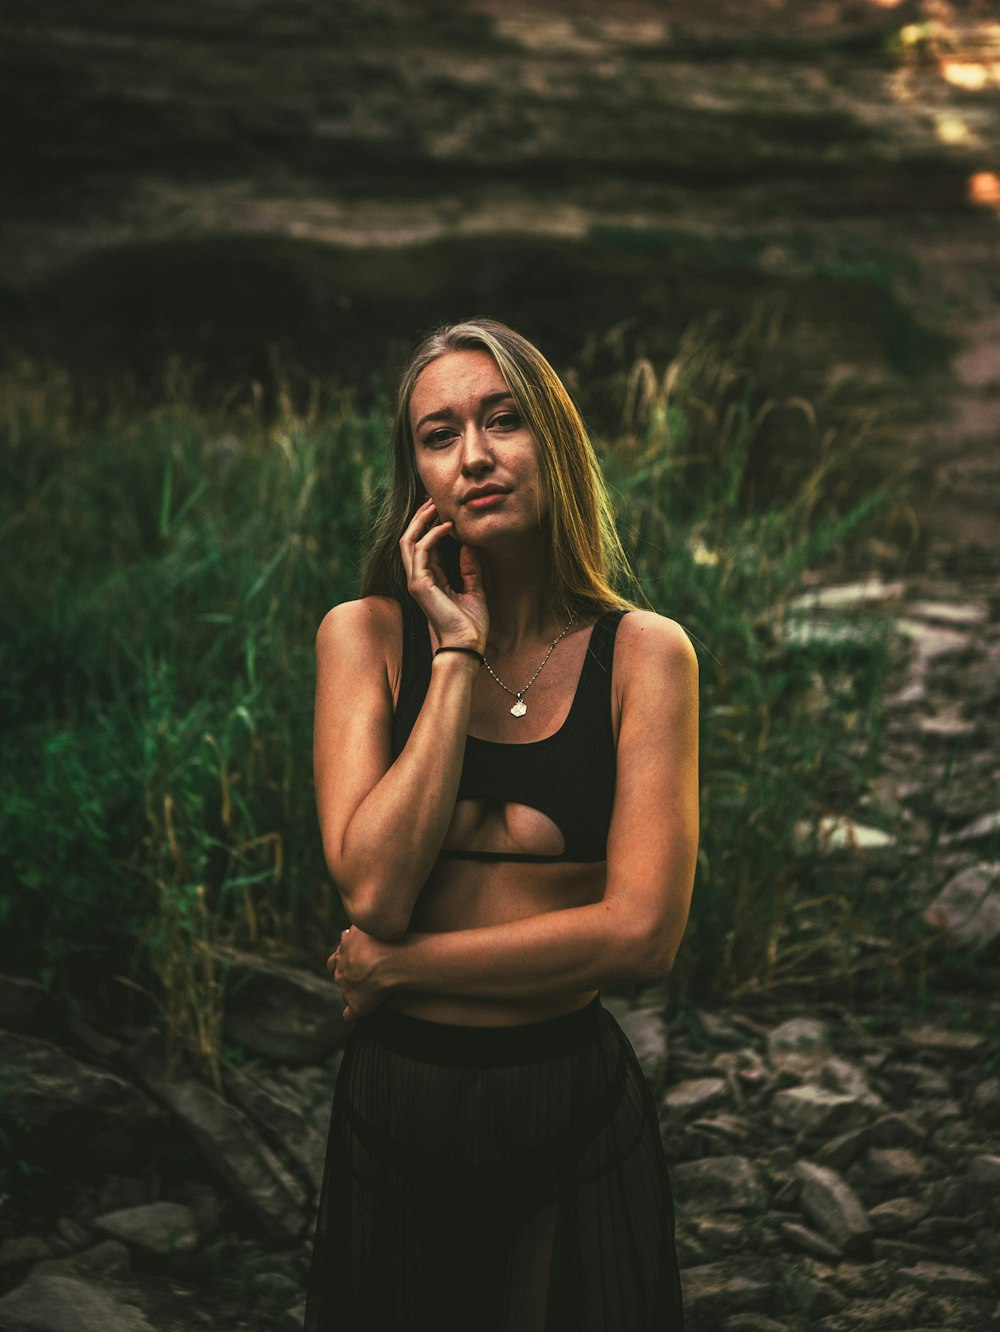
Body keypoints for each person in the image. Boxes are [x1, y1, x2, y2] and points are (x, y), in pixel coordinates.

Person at [304, 318, 697, 1332]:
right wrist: (455, 655)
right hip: (397, 1102)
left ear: (552, 444)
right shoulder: (365, 638)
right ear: (417, 476)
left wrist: (402, 971)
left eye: (503, 420)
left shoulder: (646, 656)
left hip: (566, 1105)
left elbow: (641, 936)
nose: (473, 456)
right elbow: (375, 890)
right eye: (439, 435)